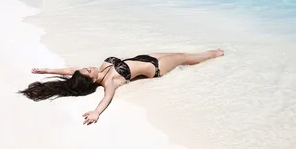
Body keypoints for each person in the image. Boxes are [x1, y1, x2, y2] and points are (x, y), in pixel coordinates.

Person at [19, 49, 224, 125]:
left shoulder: (97, 70)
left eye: (86, 69)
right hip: (156, 68)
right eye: (88, 72)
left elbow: (70, 71)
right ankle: (217, 55)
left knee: (182, 53)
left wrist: (45, 71)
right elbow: (107, 97)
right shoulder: (110, 81)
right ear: (91, 81)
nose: (88, 67)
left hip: (146, 57)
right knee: (184, 58)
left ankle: (212, 54)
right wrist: (96, 113)